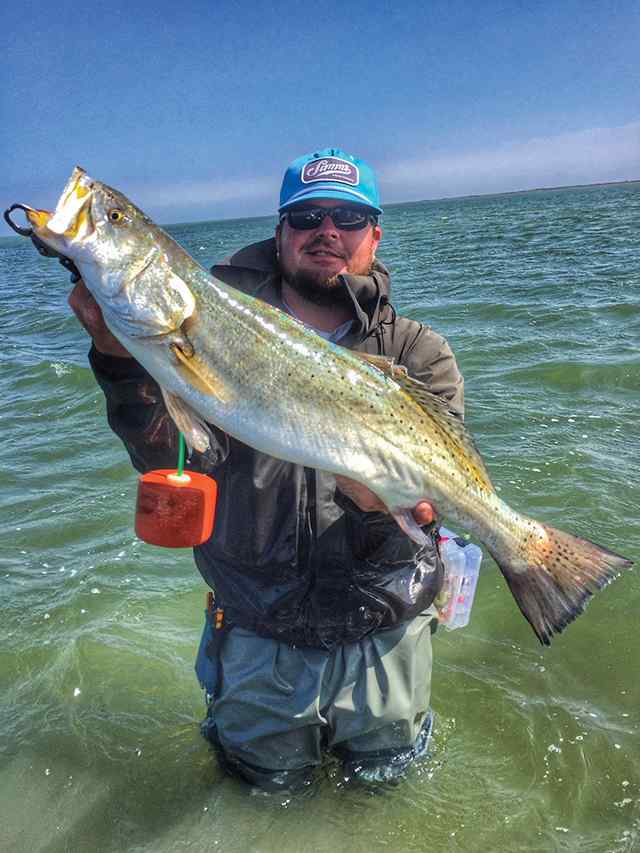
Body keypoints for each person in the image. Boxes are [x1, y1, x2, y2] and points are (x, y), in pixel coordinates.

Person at [68, 147, 464, 792]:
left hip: (385, 622)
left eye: (348, 218)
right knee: (259, 791)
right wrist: (116, 358)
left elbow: (434, 498)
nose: (326, 232)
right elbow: (161, 456)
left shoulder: (418, 351)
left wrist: (383, 504)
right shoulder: (214, 325)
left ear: (374, 236)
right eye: (307, 217)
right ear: (280, 233)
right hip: (256, 622)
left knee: (385, 785)